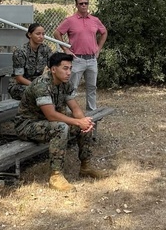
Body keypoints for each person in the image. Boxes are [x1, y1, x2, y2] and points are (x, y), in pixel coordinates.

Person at [13, 52, 107, 191]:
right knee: (61, 128)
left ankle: (86, 166)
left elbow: (74, 107)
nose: (69, 72)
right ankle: (56, 176)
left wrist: (83, 122)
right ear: (53, 69)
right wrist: (77, 122)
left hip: (47, 122)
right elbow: (51, 115)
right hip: (28, 125)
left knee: (84, 122)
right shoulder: (41, 85)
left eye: (70, 68)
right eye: (65, 68)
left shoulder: (64, 83)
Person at [56, 0, 107, 113]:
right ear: (76, 5)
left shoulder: (95, 20)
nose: (84, 5)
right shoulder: (70, 20)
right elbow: (57, 33)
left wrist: (98, 49)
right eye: (81, 3)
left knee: (92, 88)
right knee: (71, 87)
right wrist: (66, 50)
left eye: (86, 3)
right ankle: (69, 113)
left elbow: (104, 32)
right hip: (76, 59)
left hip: (92, 59)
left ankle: (92, 113)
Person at [10, 23, 51, 100]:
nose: (41, 37)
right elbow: (19, 78)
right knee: (40, 92)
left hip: (38, 83)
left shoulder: (45, 49)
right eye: (38, 34)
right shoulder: (20, 52)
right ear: (29, 34)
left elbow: (53, 66)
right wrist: (37, 85)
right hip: (19, 86)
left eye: (43, 34)